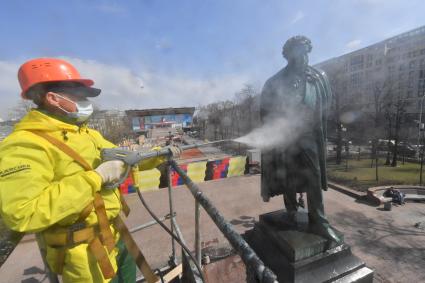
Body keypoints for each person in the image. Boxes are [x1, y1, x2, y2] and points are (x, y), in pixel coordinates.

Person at [0, 58, 181, 282]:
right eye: (79, 95)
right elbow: (23, 212)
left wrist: (159, 154)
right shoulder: (24, 144)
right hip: (83, 254)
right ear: (53, 98)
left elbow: (127, 159)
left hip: (115, 235)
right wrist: (96, 177)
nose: (86, 102)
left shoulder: (85, 133)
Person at [260, 36, 340, 243]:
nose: (303, 57)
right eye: (298, 53)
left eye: (306, 52)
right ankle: (291, 210)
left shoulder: (318, 76)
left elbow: (327, 105)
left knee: (313, 175)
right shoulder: (275, 81)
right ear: (288, 55)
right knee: (287, 174)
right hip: (285, 136)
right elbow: (265, 112)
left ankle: (319, 221)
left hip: (308, 135)